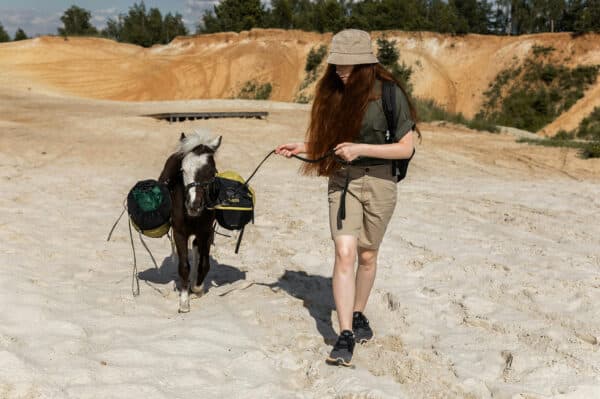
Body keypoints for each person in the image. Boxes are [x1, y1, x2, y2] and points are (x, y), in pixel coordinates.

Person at [275, 29, 420, 367]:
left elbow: (406, 147)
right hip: (343, 181)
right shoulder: (333, 94)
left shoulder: (389, 94)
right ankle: (345, 335)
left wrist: (361, 149)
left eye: (348, 64)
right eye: (337, 63)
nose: (339, 69)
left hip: (382, 182)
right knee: (344, 253)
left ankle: (357, 313)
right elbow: (334, 144)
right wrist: (304, 146)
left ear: (366, 65)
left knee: (367, 256)